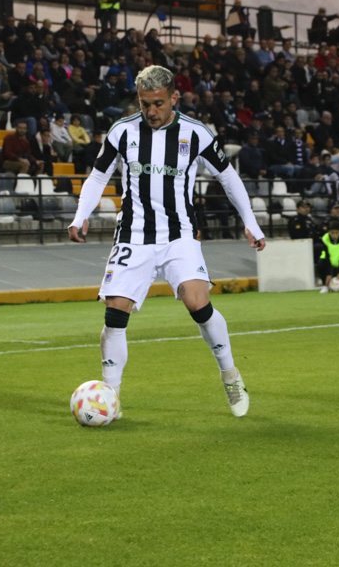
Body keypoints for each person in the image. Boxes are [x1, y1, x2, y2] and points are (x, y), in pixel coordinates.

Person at [67, 65, 265, 418]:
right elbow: (98, 177)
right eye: (145, 104)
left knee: (197, 303)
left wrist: (250, 222)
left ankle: (230, 374)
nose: (151, 112)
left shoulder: (196, 133)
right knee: (115, 315)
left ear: (174, 97)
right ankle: (110, 396)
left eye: (158, 103)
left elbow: (229, 179)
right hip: (134, 234)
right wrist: (80, 215)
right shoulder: (122, 132)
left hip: (179, 234)